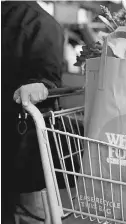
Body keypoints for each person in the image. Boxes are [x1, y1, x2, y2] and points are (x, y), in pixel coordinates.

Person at [2, 1, 64, 223]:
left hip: (17, 139)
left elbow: (46, 81)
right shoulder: (41, 22)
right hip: (18, 140)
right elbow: (48, 79)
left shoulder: (36, 21)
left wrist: (41, 85)